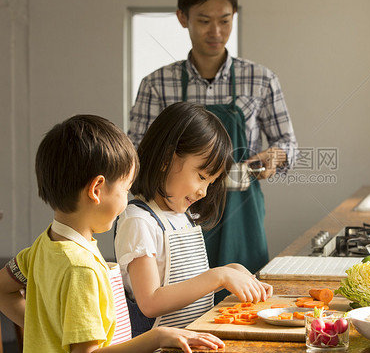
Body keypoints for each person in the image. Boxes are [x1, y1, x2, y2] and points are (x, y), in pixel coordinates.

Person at [0, 115, 225, 353]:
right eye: (125, 188)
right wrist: (157, 337)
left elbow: (2, 289)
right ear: (97, 189)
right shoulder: (81, 269)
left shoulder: (39, 248)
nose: (127, 198)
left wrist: (47, 333)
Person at [128, 0, 298, 288]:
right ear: (183, 18)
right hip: (176, 211)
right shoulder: (157, 83)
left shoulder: (260, 79)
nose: (215, 32)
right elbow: (135, 155)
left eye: (224, 20)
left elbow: (288, 145)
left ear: (235, 15)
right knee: (182, 299)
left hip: (241, 212)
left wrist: (275, 156)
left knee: (245, 299)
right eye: (204, 21)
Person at [115, 102, 273, 337]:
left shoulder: (182, 217)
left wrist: (232, 271)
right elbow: (150, 302)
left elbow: (188, 282)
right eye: (201, 176)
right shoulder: (139, 221)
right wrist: (218, 276)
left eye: (210, 183)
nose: (204, 192)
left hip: (192, 341)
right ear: (167, 159)